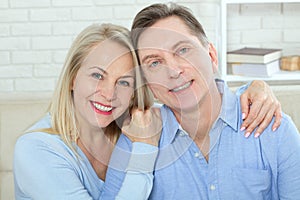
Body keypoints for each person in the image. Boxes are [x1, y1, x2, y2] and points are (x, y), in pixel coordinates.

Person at [103, 3, 300, 199]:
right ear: (147, 82)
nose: (173, 71)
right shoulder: (137, 140)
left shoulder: (274, 129)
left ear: (212, 56)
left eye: (182, 50)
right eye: (154, 63)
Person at [13, 23, 160, 200]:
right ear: (72, 79)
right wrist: (144, 149)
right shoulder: (36, 148)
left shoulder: (139, 127)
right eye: (97, 76)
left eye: (124, 82)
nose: (109, 94)